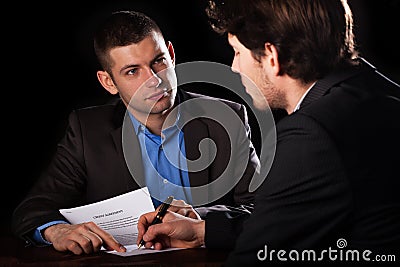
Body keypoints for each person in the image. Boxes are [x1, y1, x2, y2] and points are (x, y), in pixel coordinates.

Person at [137, 0, 400, 265]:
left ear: (272, 58)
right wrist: (203, 232)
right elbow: (295, 215)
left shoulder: (310, 135)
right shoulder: (379, 90)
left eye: (237, 52)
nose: (234, 68)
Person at [11, 10, 260, 255]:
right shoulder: (87, 131)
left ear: (171, 55)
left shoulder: (227, 118)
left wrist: (200, 221)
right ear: (108, 82)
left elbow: (264, 209)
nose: (153, 80)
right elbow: (32, 210)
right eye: (132, 71)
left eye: (158, 61)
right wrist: (56, 231)